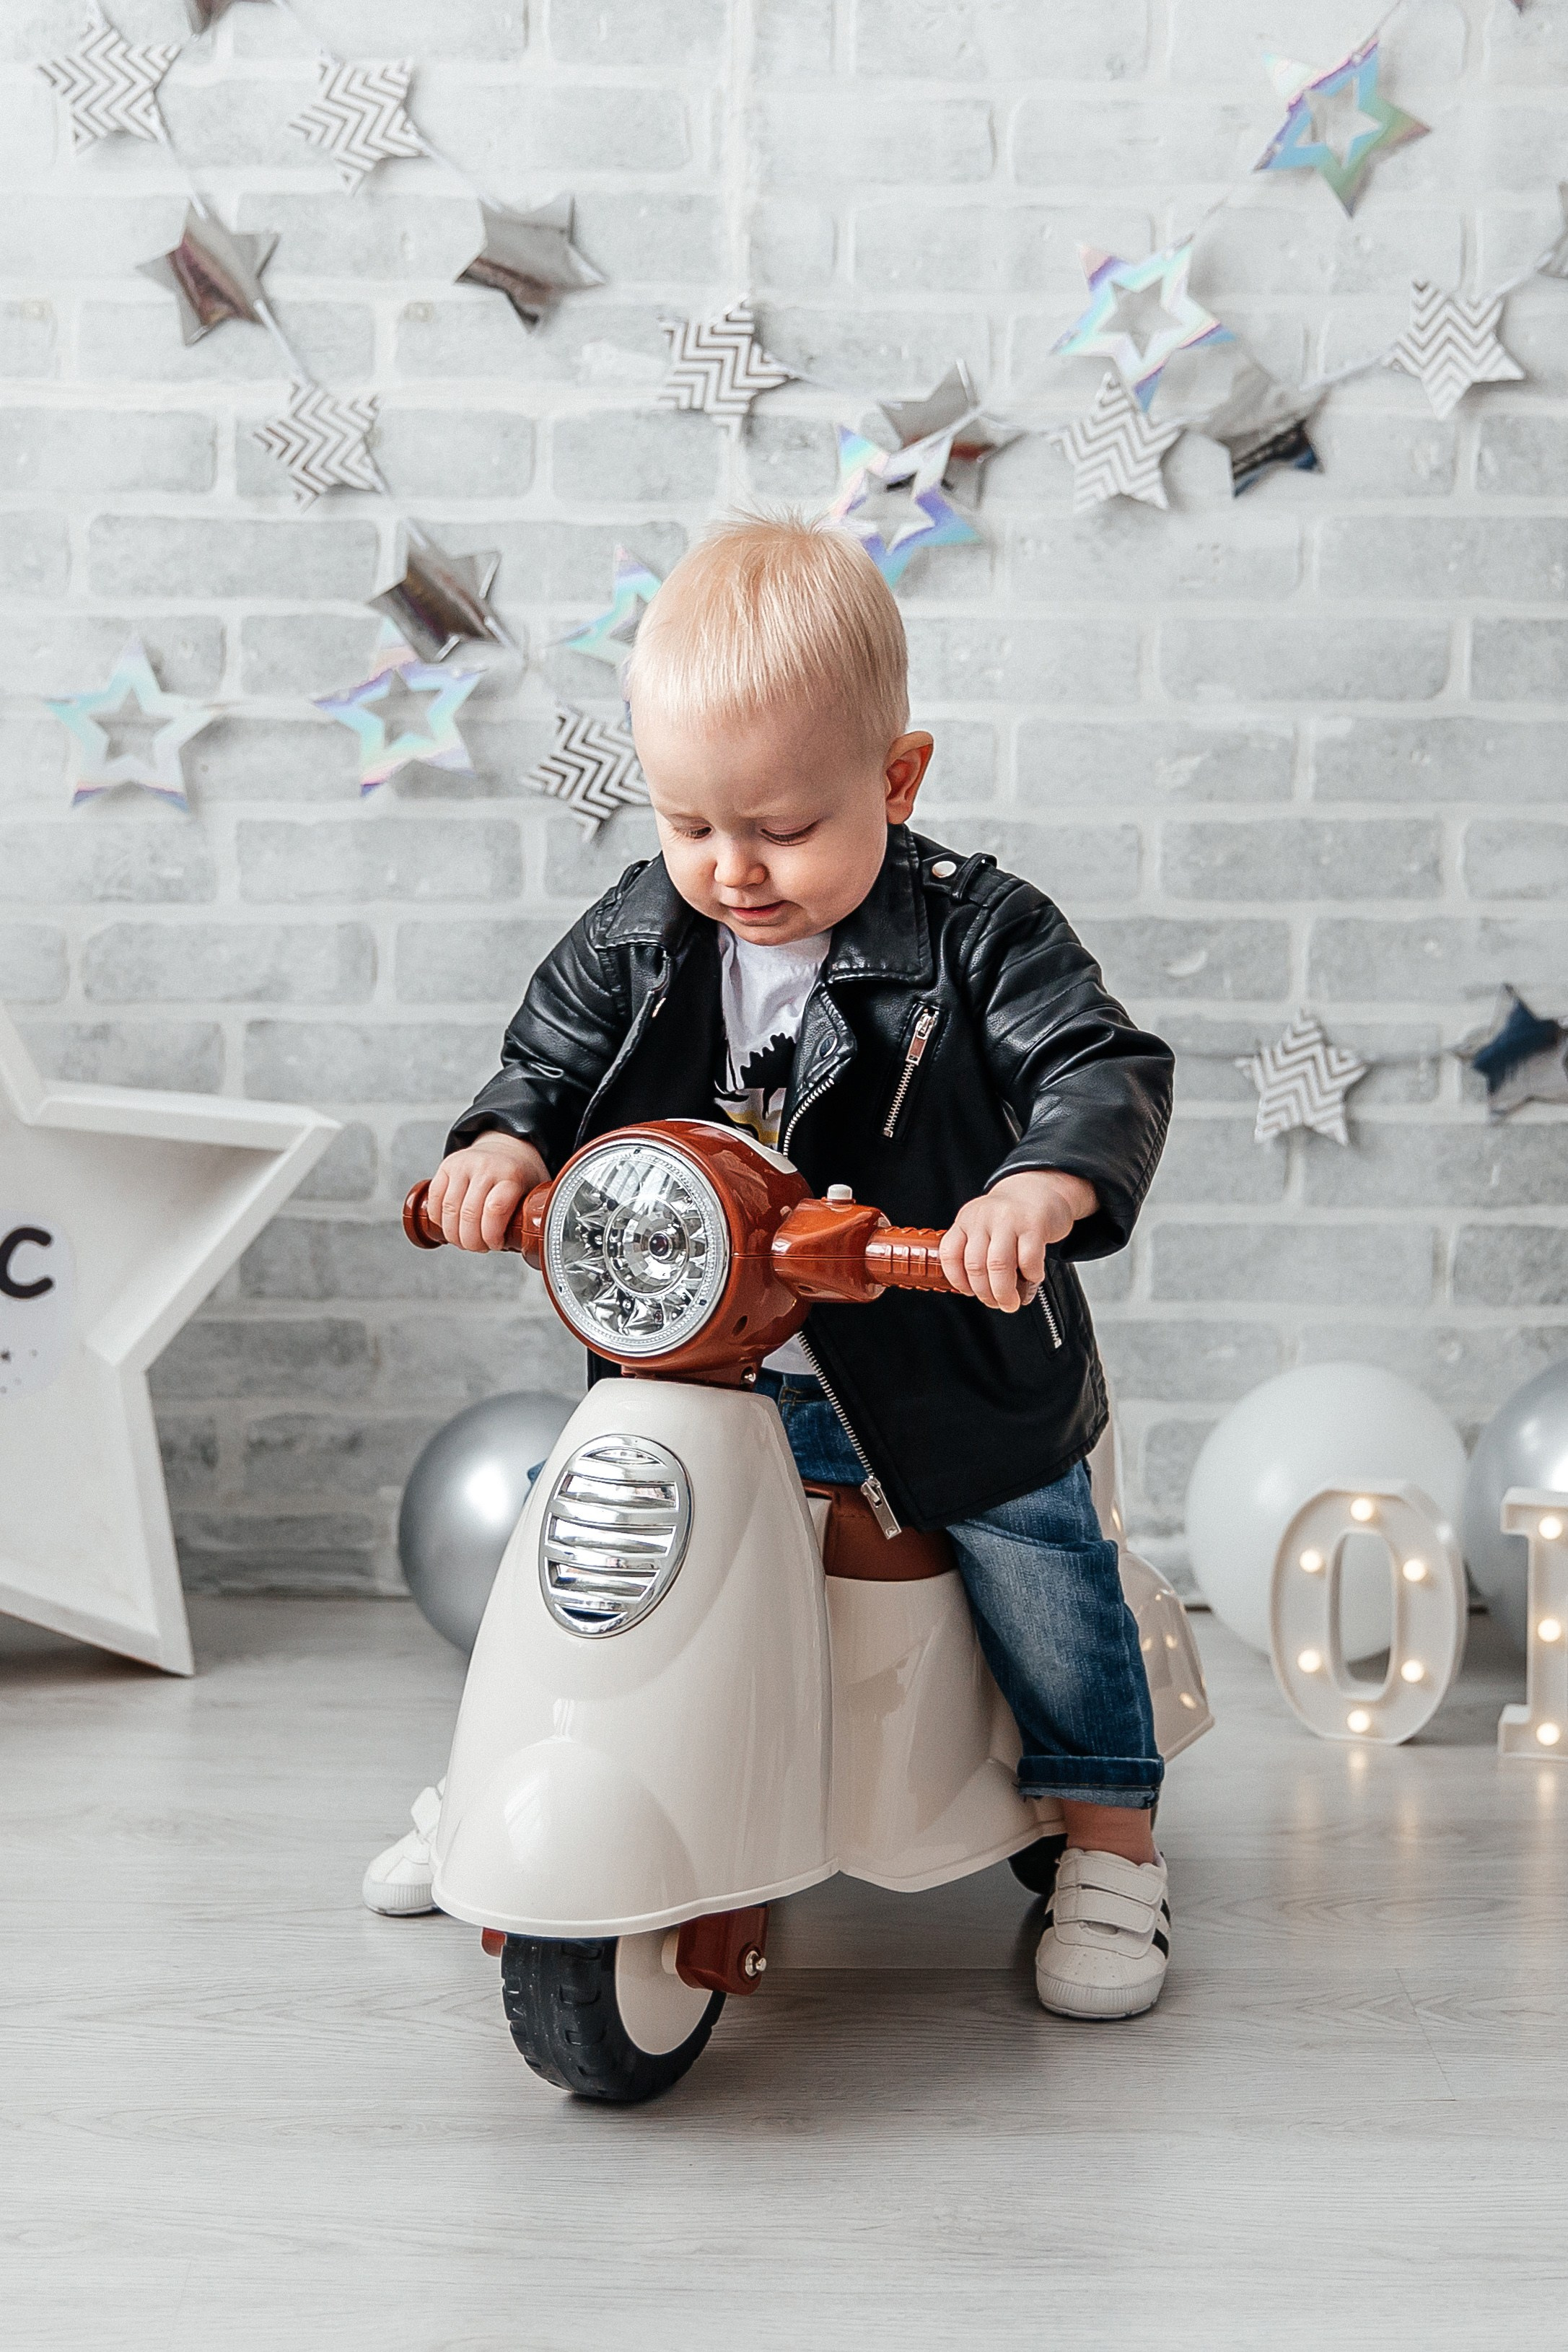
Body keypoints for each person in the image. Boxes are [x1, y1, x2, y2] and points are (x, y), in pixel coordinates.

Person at [365, 512, 1175, 2021]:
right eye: (688, 825)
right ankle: (507, 1769)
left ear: (895, 778)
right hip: (696, 1353)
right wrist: (499, 1145)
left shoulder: (976, 933)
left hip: (936, 1367)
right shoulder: (644, 927)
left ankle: (1112, 1838)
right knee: (579, 1542)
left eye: (781, 829)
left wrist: (1038, 1185)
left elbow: (1093, 1060)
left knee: (1039, 1566)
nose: (729, 869)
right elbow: (546, 1055)